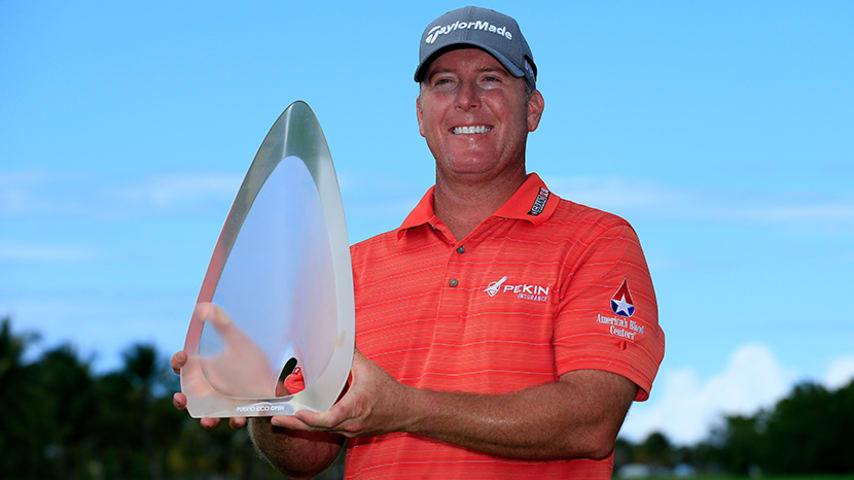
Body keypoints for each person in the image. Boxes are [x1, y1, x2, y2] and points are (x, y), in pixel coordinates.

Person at [172, 6, 664, 479]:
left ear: (532, 108)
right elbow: (305, 455)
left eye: (491, 78)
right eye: (444, 82)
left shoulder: (598, 241)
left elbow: (591, 422)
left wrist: (405, 409)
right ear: (420, 115)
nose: (466, 98)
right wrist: (262, 393)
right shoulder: (353, 269)